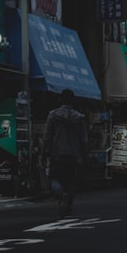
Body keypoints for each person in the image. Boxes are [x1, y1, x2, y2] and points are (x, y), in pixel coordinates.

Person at [42, 88, 89, 217]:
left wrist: (44, 152)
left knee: (54, 178)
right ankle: (67, 205)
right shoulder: (79, 118)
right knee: (70, 181)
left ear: (61, 99)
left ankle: (61, 195)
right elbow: (84, 140)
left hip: (57, 153)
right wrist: (85, 155)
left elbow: (47, 136)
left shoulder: (53, 116)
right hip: (73, 155)